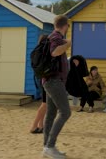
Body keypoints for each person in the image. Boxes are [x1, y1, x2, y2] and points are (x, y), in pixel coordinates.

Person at [42, 15, 71, 159]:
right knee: (65, 112)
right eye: (68, 27)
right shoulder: (56, 36)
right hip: (54, 81)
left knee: (51, 114)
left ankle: (47, 147)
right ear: (65, 26)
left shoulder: (52, 36)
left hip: (50, 80)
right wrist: (68, 44)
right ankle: (50, 146)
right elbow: (54, 52)